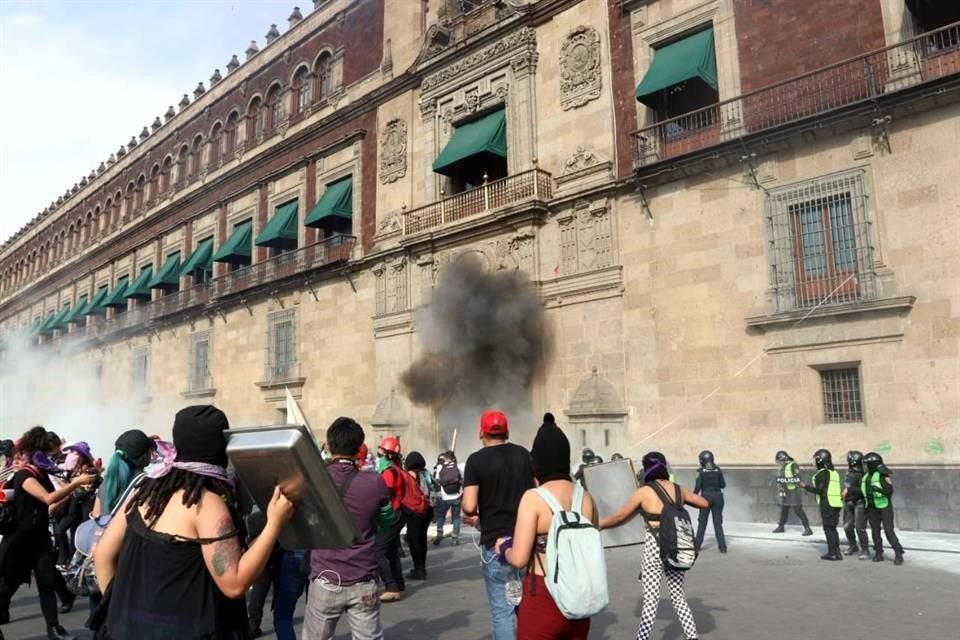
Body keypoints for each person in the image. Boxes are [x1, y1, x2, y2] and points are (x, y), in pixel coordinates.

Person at [93, 405, 295, 639]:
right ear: (222, 447)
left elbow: (102, 555)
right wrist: (274, 524)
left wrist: (120, 611)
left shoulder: (144, 489)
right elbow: (234, 583)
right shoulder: (206, 503)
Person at [497, 418, 597, 640]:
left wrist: (503, 549)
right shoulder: (586, 498)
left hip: (543, 596)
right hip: (579, 599)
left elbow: (520, 558)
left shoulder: (533, 498)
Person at [0, 426, 96, 640]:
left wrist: (74, 490)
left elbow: (49, 507)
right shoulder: (26, 475)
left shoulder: (40, 473)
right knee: (6, 586)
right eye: (50, 453)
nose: (54, 458)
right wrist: (75, 484)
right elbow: (48, 498)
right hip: (18, 541)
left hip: (39, 539)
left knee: (46, 583)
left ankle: (54, 629)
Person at [600, 452, 708, 640]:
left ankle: (642, 638)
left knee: (651, 599)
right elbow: (704, 503)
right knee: (678, 596)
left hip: (654, 546)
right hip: (676, 546)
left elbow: (619, 517)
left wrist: (600, 524)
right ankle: (692, 636)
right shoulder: (678, 489)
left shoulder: (644, 492)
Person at [304, 417, 392, 640]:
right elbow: (388, 519)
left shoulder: (313, 480)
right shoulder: (374, 482)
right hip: (363, 579)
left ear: (329, 444)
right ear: (359, 448)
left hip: (325, 577)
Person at [462, 410, 534, 640]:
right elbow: (538, 490)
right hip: (527, 542)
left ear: (481, 432)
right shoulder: (524, 455)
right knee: (527, 608)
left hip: (495, 544)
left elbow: (469, 505)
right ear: (507, 432)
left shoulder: (475, 461)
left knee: (502, 612)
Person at [54, 442, 100, 567]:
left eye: (75, 453)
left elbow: (81, 491)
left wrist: (66, 486)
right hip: (72, 510)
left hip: (84, 511)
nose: (71, 456)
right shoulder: (72, 471)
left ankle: (71, 562)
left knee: (77, 537)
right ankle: (63, 560)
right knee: (60, 531)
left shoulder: (90, 471)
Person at [92, 429, 157, 517]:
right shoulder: (146, 485)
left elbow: (95, 517)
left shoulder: (107, 482)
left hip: (103, 530)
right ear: (145, 456)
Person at [375, 436, 406, 602]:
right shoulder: (397, 469)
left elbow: (384, 495)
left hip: (390, 516)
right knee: (392, 551)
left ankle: (391, 586)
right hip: (398, 514)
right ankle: (399, 584)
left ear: (388, 454)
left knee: (377, 552)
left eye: (381, 451)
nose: (378, 454)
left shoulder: (388, 472)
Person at [861, 452, 904, 565]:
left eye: (867, 463)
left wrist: (879, 490)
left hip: (884, 506)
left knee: (888, 531)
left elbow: (890, 491)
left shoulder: (882, 475)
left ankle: (898, 553)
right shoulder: (866, 476)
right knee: (875, 532)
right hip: (871, 507)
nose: (865, 466)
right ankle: (878, 553)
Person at [800, 449, 843, 560]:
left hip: (827, 503)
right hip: (837, 503)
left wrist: (805, 486)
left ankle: (832, 553)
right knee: (833, 528)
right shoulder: (834, 472)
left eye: (815, 459)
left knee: (828, 529)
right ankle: (837, 552)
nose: (814, 462)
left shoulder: (821, 474)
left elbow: (820, 490)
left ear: (820, 460)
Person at [402, 452, 434, 581]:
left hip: (415, 511)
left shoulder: (410, 475)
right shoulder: (427, 473)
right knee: (422, 539)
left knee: (414, 540)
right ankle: (422, 567)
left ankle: (418, 569)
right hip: (428, 509)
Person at [772, 450, 813, 536]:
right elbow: (782, 478)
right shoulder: (783, 467)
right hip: (787, 492)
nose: (778, 463)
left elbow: (797, 479)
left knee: (798, 510)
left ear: (781, 459)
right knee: (784, 509)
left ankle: (808, 528)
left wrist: (784, 481)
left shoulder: (793, 465)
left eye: (778, 461)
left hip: (794, 491)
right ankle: (781, 527)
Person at [693, 450, 726, 553]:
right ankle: (722, 547)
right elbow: (723, 485)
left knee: (702, 523)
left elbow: (697, 488)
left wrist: (693, 498)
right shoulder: (718, 470)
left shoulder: (700, 471)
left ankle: (697, 546)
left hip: (705, 498)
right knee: (718, 523)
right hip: (718, 497)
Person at [841, 450, 869, 559]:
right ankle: (853, 546)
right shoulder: (849, 472)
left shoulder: (862, 474)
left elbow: (863, 491)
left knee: (860, 527)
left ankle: (865, 550)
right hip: (849, 501)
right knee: (847, 526)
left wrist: (849, 490)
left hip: (859, 502)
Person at [433, 450, 463, 546]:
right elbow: (462, 479)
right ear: (454, 458)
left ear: (445, 458)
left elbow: (437, 480)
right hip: (456, 496)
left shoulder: (440, 467)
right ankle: (455, 537)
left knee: (441, 515)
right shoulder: (459, 467)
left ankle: (439, 533)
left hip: (444, 497)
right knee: (456, 517)